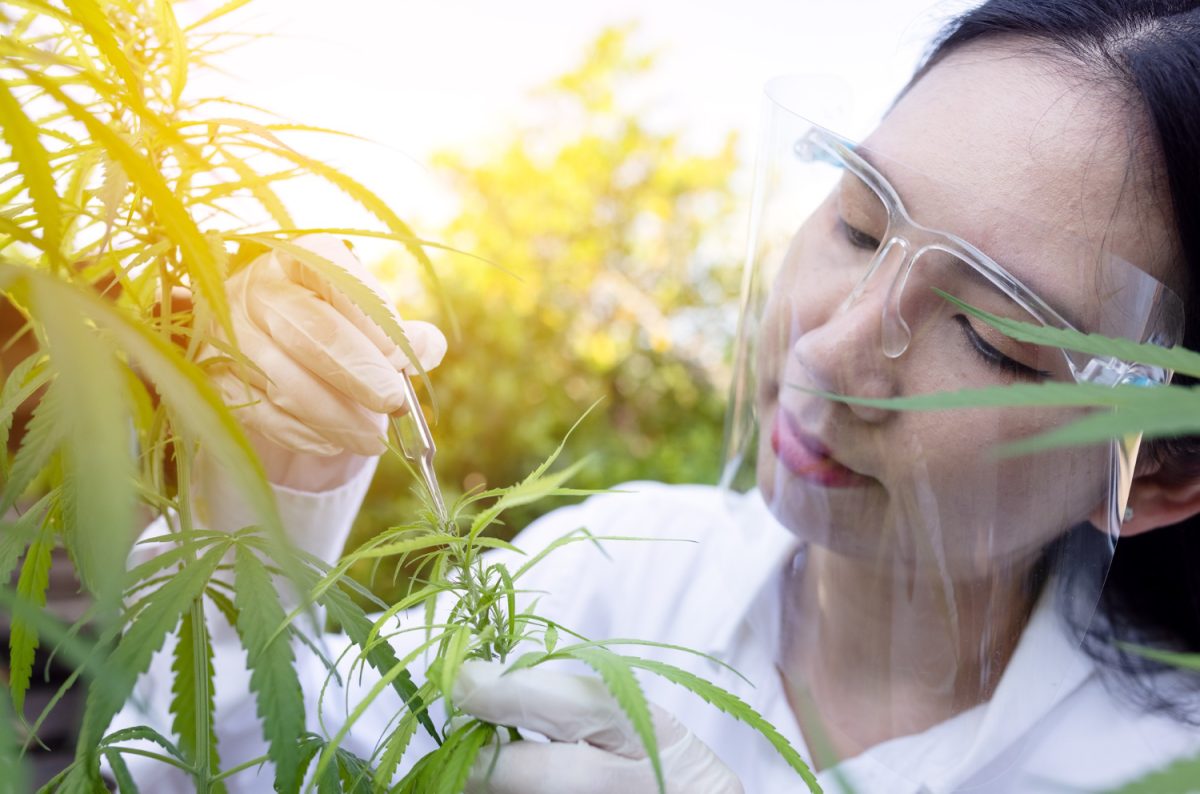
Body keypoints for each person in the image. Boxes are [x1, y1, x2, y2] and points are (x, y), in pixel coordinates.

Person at [111, 0, 1200, 791]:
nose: (830, 347)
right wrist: (275, 493)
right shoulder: (620, 566)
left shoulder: (1155, 764)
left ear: (1157, 469)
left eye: (992, 333)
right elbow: (233, 760)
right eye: (859, 223)